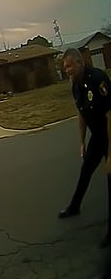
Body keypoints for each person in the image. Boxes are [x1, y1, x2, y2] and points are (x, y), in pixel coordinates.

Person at [58, 48, 111, 248]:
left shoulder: (98, 79)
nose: (67, 70)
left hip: (110, 133)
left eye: (70, 66)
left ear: (80, 62)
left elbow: (110, 116)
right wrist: (81, 142)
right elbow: (81, 114)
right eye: (65, 67)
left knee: (110, 180)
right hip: (98, 137)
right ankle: (74, 207)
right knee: (86, 170)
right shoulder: (76, 86)